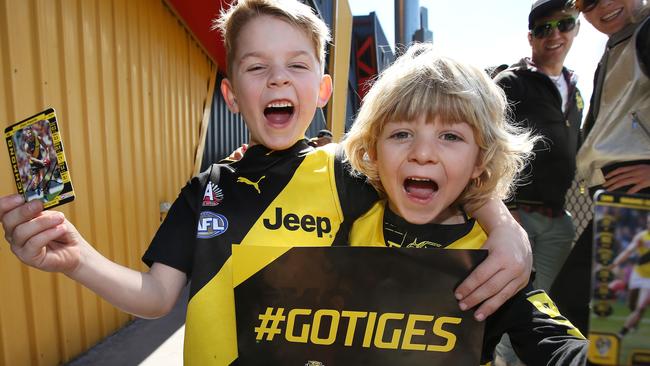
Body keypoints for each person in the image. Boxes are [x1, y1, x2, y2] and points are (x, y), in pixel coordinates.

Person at [0, 0, 532, 364]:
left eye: (296, 65)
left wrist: (506, 229)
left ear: (323, 89)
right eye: (257, 68)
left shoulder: (353, 170)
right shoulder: (204, 189)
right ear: (232, 96)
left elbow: (435, 173)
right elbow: (157, 297)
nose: (278, 78)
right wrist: (77, 259)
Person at [341, 43, 587, 366]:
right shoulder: (346, 218)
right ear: (372, 150)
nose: (423, 153)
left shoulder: (493, 255)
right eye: (401, 133)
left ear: (479, 161)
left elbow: (553, 339)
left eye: (450, 136)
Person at [550, 0, 650, 333]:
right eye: (587, 2)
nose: (602, 6)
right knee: (623, 321)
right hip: (621, 200)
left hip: (637, 198)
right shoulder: (623, 41)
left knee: (615, 320)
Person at [493, 1, 583, 363]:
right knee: (512, 315)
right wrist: (502, 211)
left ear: (576, 28)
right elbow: (489, 145)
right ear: (530, 37)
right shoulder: (510, 82)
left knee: (544, 315)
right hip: (518, 218)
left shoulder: (574, 87)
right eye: (544, 28)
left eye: (564, 24)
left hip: (558, 218)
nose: (556, 34)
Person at [606, 214, 650, 338]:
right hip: (638, 274)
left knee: (640, 307)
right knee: (631, 304)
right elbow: (628, 251)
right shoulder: (641, 237)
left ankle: (621, 334)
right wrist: (615, 263)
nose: (649, 225)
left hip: (649, 279)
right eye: (648, 223)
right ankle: (634, 321)